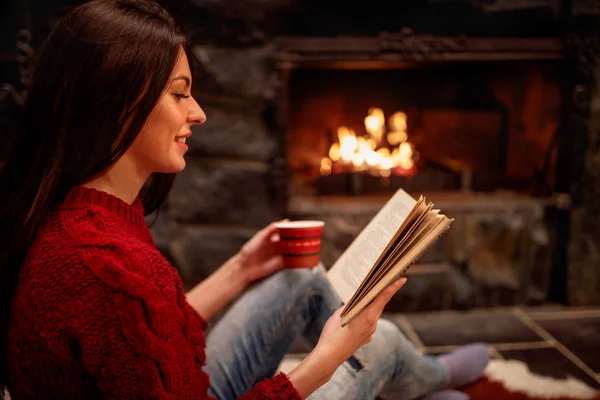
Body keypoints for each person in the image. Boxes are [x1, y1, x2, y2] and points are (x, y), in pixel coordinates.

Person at [0, 1, 490, 399]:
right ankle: (427, 379)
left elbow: (145, 345)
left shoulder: (82, 214)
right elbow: (132, 319)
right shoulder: (108, 267)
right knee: (374, 346)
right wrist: (324, 361)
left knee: (300, 277)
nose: (199, 113)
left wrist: (241, 266)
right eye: (180, 94)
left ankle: (417, 379)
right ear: (118, 103)